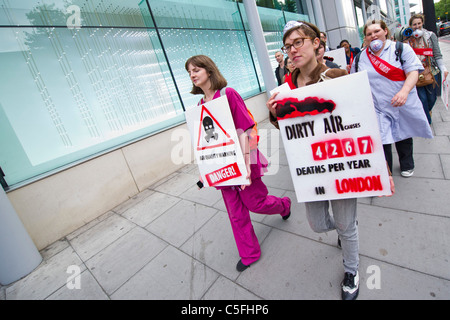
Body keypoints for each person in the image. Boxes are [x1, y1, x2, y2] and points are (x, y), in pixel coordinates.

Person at [266, 20, 386, 300]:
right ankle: (347, 231)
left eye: (299, 42)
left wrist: (376, 164)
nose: (292, 50)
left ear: (316, 43)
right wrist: (275, 113)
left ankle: (352, 269)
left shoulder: (336, 76)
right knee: (318, 224)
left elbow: (361, 119)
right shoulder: (286, 88)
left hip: (342, 167)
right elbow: (290, 129)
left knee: (345, 224)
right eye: (288, 46)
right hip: (311, 170)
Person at [185, 55, 291, 272]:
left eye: (196, 70)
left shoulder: (228, 94)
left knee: (256, 203)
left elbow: (247, 129)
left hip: (244, 160)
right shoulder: (199, 105)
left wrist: (244, 168)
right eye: (189, 72)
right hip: (223, 167)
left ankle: (284, 205)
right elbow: (205, 143)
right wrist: (205, 170)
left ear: (208, 70)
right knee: (235, 213)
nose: (192, 75)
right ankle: (249, 253)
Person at [350, 20, 433, 178]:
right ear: (365, 38)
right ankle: (385, 172)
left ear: (385, 31)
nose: (373, 36)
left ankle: (407, 164)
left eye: (376, 31)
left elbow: (413, 72)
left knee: (403, 134)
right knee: (382, 139)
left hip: (401, 101)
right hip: (377, 106)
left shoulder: (401, 49)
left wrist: (404, 91)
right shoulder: (360, 58)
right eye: (369, 34)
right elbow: (354, 81)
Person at [408, 13, 449, 124]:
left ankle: (428, 110)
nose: (417, 26)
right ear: (411, 26)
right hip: (416, 72)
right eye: (414, 24)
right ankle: (427, 122)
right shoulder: (408, 38)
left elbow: (437, 54)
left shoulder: (431, 36)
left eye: (419, 23)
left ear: (422, 23)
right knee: (422, 99)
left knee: (432, 98)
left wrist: (443, 68)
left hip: (431, 70)